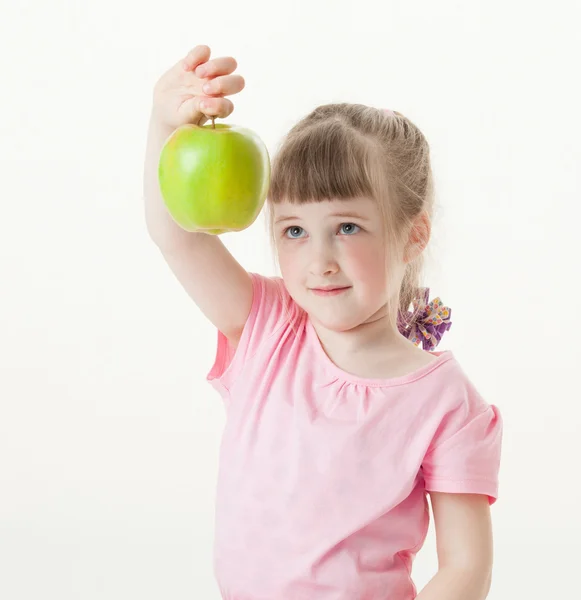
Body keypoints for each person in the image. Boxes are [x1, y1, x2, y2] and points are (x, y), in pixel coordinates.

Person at [143, 44, 503, 600]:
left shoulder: (449, 405)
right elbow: (178, 235)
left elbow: (465, 569)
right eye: (293, 231)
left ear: (414, 233)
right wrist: (166, 123)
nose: (319, 260)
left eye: (349, 227)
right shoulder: (266, 328)